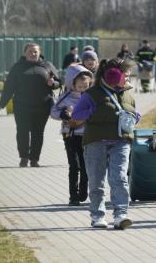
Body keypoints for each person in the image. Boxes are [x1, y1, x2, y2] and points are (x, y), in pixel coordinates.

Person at [72, 58, 137, 229]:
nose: (128, 79)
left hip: (121, 141)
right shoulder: (92, 94)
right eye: (126, 76)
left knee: (120, 178)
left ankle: (121, 215)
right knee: (96, 181)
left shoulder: (128, 94)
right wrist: (93, 112)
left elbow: (134, 113)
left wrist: (133, 117)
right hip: (96, 142)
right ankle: (97, 215)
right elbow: (77, 115)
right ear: (113, 76)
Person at [0, 42, 61, 167]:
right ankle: (24, 157)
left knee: (38, 133)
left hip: (43, 106)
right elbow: (9, 87)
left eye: (35, 51)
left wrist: (53, 84)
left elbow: (59, 82)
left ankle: (34, 159)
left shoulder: (47, 66)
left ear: (39, 53)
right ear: (24, 53)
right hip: (22, 106)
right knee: (22, 131)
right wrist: (1, 104)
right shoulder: (18, 67)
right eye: (30, 51)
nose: (33, 54)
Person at [51, 65, 93, 206]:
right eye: (80, 86)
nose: (82, 88)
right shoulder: (65, 96)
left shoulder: (91, 96)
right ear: (72, 83)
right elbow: (53, 112)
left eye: (85, 86)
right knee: (74, 166)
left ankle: (83, 191)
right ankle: (73, 196)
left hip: (87, 136)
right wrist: (62, 114)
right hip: (70, 136)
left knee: (86, 166)